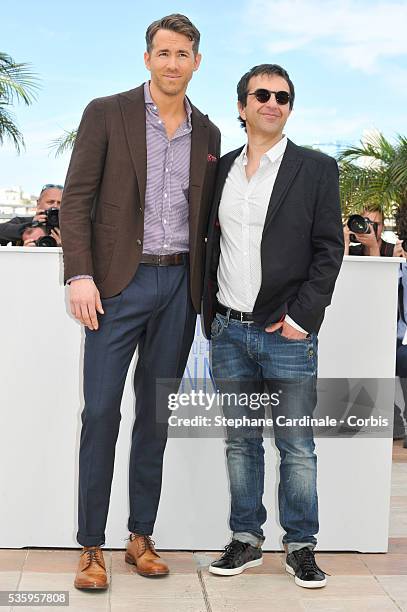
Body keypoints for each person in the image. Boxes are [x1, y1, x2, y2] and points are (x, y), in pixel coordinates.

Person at [59, 14, 220, 590]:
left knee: (155, 417)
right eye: (164, 52)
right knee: (100, 414)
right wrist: (80, 273)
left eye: (184, 54)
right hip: (115, 287)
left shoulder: (208, 133)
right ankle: (90, 547)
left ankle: (139, 537)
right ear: (147, 58)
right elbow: (76, 199)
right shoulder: (107, 112)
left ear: (197, 62)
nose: (173, 63)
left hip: (179, 288)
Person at [202, 64, 344, 588]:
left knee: (296, 445)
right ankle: (246, 539)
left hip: (287, 334)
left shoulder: (316, 169)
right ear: (242, 106)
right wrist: (210, 315)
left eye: (282, 96)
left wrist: (304, 318)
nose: (272, 102)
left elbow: (330, 249)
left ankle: (301, 546)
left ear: (289, 108)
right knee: (240, 442)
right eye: (261, 94)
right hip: (229, 331)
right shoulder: (220, 172)